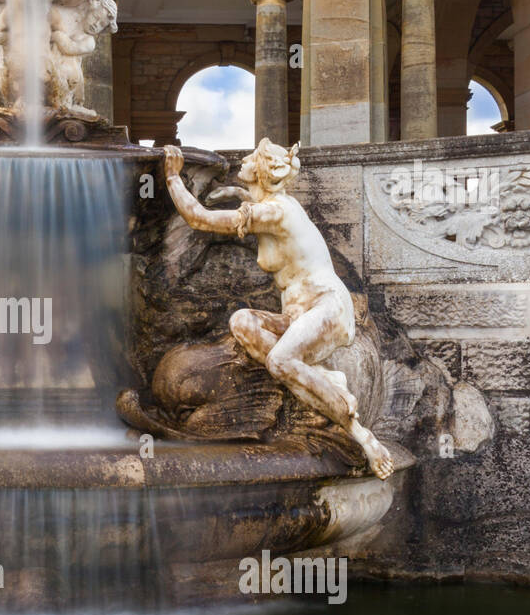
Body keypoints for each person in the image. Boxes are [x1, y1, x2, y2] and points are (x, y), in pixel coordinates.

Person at [162, 138, 394, 479]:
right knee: (242, 322)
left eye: (250, 158)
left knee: (279, 360)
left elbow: (200, 219)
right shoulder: (273, 205)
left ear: (260, 170)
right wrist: (238, 195)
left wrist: (171, 178)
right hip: (299, 314)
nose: (242, 159)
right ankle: (320, 380)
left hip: (326, 307)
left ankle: (361, 434)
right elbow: (251, 210)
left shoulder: (276, 211)